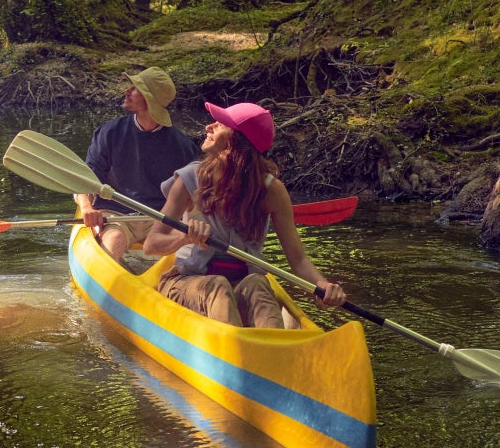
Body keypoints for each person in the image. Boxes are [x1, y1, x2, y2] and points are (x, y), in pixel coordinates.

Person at [143, 100, 349, 328]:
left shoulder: (272, 191)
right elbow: (151, 244)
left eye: (219, 125)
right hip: (187, 281)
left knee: (257, 284)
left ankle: (272, 352)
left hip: (242, 283)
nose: (208, 127)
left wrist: (322, 285)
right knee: (218, 286)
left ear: (235, 142)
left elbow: (298, 260)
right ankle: (233, 353)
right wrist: (185, 238)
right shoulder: (189, 178)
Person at [75, 67, 200, 262]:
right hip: (116, 214)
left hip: (159, 218)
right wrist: (86, 208)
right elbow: (86, 176)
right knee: (114, 239)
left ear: (149, 100)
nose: (127, 91)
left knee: (179, 250)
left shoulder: (182, 145)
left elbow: (191, 197)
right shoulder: (110, 132)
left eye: (136, 88)